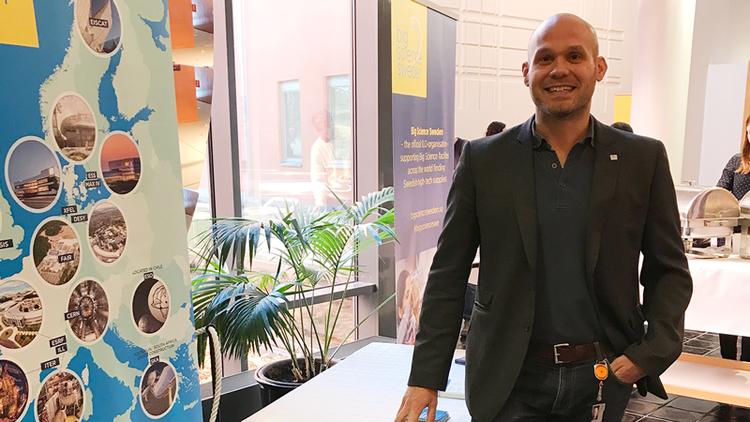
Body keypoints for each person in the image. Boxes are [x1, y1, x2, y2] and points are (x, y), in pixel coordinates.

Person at [395, 13, 692, 422]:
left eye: (575, 56)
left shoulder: (643, 159)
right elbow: (448, 273)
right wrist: (425, 377)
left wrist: (652, 351)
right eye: (545, 58)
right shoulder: (484, 160)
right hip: (507, 379)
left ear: (599, 67)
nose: (559, 69)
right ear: (526, 72)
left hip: (603, 376)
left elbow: (669, 270)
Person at [716, 114, 750, 361]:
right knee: (728, 302)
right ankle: (727, 361)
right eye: (749, 131)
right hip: (732, 238)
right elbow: (720, 191)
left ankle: (747, 363)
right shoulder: (737, 160)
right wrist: (730, 203)